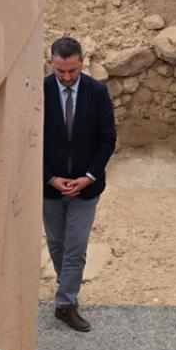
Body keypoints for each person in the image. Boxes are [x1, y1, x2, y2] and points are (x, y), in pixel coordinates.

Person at [42, 37, 116, 333]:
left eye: (72, 71)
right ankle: (67, 286)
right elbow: (28, 138)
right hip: (49, 187)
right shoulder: (40, 91)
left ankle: (65, 303)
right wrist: (49, 178)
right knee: (57, 243)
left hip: (86, 187)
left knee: (75, 247)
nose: (67, 77)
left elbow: (107, 138)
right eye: (61, 71)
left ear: (82, 63)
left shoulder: (97, 92)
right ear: (52, 64)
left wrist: (89, 176)